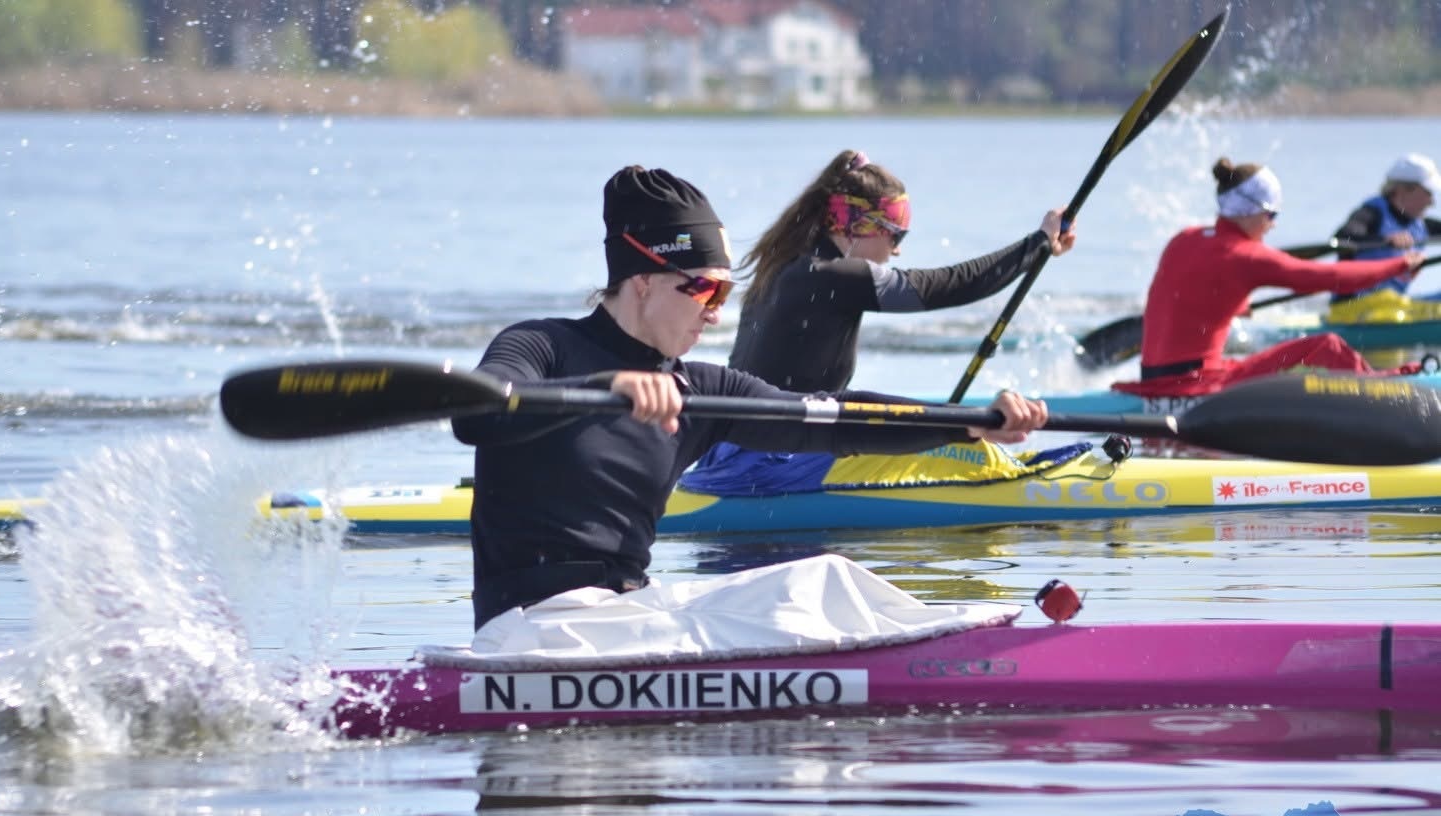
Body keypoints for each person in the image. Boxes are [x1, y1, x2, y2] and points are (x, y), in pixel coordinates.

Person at [450, 166, 1047, 629]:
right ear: (643, 281)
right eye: (703, 290)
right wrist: (606, 388)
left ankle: (970, 655)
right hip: (530, 626)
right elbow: (479, 414)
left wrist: (968, 424)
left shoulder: (700, 389)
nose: (714, 314)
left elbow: (834, 422)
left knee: (826, 580)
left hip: (625, 615)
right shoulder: (541, 346)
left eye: (722, 296)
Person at [728, 149, 1076, 394]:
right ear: (857, 225)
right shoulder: (832, 274)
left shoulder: (780, 263)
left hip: (730, 457)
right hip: (776, 463)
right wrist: (1038, 244)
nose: (897, 250)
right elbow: (950, 286)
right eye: (896, 235)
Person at [1113, 157, 1425, 401]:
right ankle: (1380, 393)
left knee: (1270, 364)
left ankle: (1341, 389)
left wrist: (1233, 305)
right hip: (1193, 387)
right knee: (1324, 345)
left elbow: (1180, 293)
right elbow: (1335, 278)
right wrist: (1397, 266)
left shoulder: (1184, 238)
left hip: (1154, 379)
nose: (1272, 226)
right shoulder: (1247, 255)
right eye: (1271, 215)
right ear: (1252, 212)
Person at [1327, 152, 1441, 323]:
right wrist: (1386, 240)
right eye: (1428, 193)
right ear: (1402, 190)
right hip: (1351, 309)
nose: (1432, 202)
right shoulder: (1371, 215)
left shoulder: (1422, 225)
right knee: (1392, 312)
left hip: (1392, 305)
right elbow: (1342, 239)